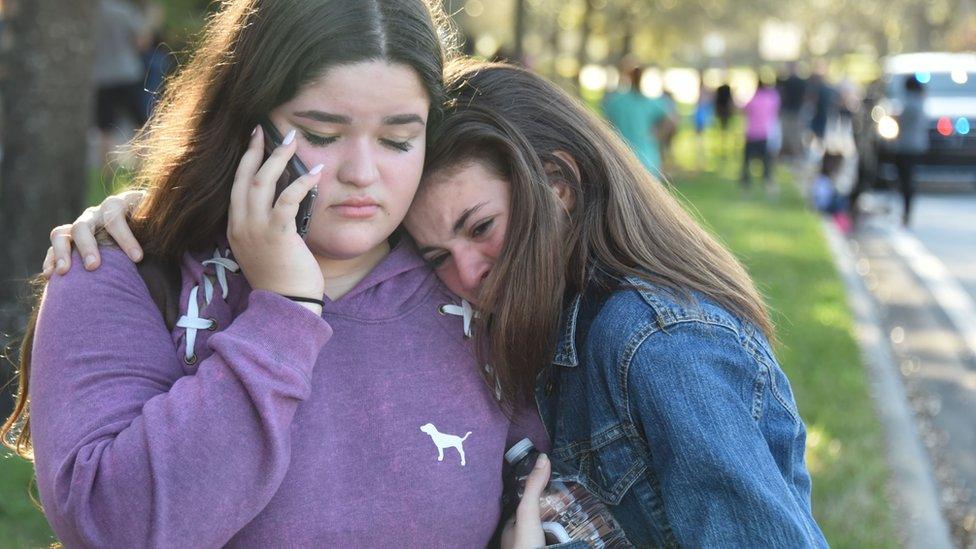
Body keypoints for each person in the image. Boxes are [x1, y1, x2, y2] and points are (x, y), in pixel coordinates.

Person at [51, 61, 829, 547]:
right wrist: (157, 213)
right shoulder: (532, 324)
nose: (463, 274)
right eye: (433, 254)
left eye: (481, 228)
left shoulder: (658, 348)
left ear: (558, 187)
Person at [3, 2, 547, 547]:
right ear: (245, 122)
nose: (362, 174)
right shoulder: (119, 270)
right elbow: (113, 527)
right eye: (323, 134)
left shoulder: (474, 282)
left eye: (398, 140)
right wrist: (282, 313)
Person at [94, 0, 153, 165]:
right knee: (140, 124)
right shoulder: (124, 11)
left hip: (102, 76)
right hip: (128, 74)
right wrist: (149, 18)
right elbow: (142, 43)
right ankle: (141, 169)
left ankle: (105, 174)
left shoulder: (93, 13)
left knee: (105, 129)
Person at [602, 66, 672, 176]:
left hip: (621, 154)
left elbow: (607, 123)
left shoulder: (616, 101)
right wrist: (657, 136)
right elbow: (670, 120)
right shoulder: (650, 102)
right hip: (646, 156)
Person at [891, 75, 928, 226]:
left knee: (905, 179)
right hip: (916, 146)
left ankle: (906, 211)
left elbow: (901, 121)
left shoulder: (910, 103)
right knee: (908, 178)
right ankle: (905, 211)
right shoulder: (921, 102)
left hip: (905, 146)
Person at [740, 76, 781, 193]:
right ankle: (768, 185)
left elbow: (744, 109)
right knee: (767, 163)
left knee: (746, 162)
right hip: (765, 135)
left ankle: (745, 185)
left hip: (751, 134)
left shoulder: (754, 99)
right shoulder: (771, 99)